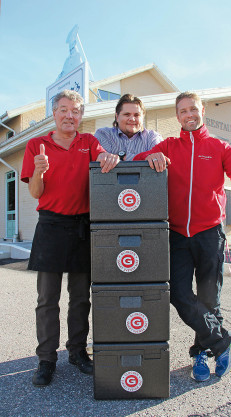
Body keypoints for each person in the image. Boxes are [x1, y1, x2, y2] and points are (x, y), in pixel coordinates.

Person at [133, 92, 231, 382]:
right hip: (176, 233)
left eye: (193, 109)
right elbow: (139, 162)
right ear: (177, 116)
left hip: (209, 232)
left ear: (202, 111)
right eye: (183, 111)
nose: (189, 114)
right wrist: (149, 155)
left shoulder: (219, 147)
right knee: (177, 293)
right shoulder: (168, 146)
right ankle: (224, 341)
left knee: (209, 298)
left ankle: (200, 353)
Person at [21, 89, 119, 387]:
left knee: (80, 297)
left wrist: (109, 156)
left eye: (75, 111)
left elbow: (103, 157)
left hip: (82, 226)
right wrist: (39, 172)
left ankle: (77, 352)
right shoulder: (37, 145)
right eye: (64, 109)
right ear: (54, 113)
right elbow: (35, 192)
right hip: (50, 225)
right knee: (47, 299)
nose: (69, 115)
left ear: (81, 116)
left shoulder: (88, 141)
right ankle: (46, 360)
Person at [94, 93, 163, 160]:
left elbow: (158, 163)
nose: (132, 119)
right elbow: (103, 162)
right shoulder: (104, 134)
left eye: (136, 115)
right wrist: (144, 158)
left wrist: (120, 157)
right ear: (117, 117)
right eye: (127, 114)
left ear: (142, 118)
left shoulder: (152, 138)